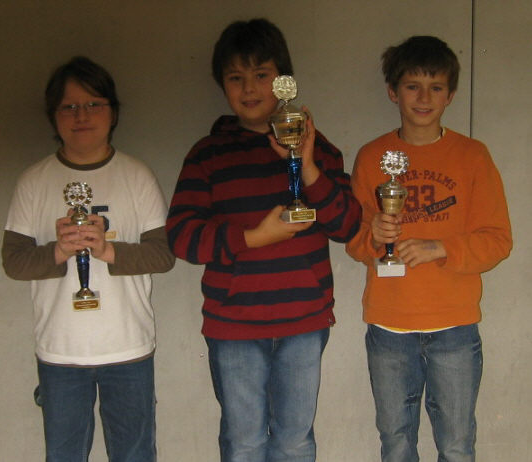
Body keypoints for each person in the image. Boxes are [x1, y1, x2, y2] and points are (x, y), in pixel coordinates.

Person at [166, 18, 361, 462]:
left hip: (304, 320)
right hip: (234, 323)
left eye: (261, 74)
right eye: (236, 77)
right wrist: (254, 238)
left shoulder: (318, 147)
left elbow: (347, 225)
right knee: (245, 443)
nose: (249, 88)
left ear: (283, 80)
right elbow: (181, 236)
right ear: (222, 85)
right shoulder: (207, 154)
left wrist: (306, 166)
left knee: (295, 442)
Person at [345, 36, 512, 462]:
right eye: (412, 86)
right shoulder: (372, 157)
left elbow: (498, 240)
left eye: (435, 87)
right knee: (396, 444)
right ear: (393, 91)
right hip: (388, 326)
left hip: (455, 327)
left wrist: (440, 247)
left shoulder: (472, 156)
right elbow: (355, 241)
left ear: (450, 95)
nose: (424, 98)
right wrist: (374, 236)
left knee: (456, 446)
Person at [2, 56, 175, 462]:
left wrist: (107, 250)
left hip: (128, 348)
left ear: (112, 112)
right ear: (53, 115)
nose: (82, 116)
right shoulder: (34, 180)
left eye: (94, 104)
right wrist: (59, 251)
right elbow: (14, 261)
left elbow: (164, 253)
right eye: (69, 107)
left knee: (135, 455)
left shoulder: (136, 175)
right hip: (60, 352)